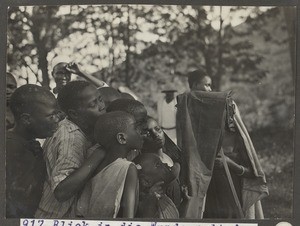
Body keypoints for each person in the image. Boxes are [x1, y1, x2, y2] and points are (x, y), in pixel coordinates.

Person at [176, 68, 268, 218]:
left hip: (227, 171)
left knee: (231, 212)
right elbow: (185, 146)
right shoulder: (186, 105)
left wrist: (232, 164)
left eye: (210, 85)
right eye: (206, 85)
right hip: (203, 173)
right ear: (193, 85)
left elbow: (240, 145)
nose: (210, 89)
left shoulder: (222, 104)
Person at [35, 81, 106, 218]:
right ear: (74, 114)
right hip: (53, 218)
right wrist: (99, 154)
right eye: (93, 104)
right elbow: (61, 191)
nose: (101, 106)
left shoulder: (75, 128)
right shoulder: (71, 138)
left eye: (100, 99)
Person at [6, 84, 60, 218]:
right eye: (51, 116)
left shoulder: (28, 143)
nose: (57, 119)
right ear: (26, 119)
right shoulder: (13, 150)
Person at [77, 111, 143, 218]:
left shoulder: (97, 165)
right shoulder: (128, 168)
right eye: (135, 128)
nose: (140, 132)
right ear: (122, 138)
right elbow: (129, 217)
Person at [142, 117, 182, 208]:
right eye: (148, 133)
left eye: (157, 129)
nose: (156, 135)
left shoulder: (172, 156)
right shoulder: (147, 165)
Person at [133, 153, 180, 218]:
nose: (165, 164)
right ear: (146, 182)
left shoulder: (164, 198)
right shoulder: (146, 204)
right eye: (158, 165)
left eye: (162, 162)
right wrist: (151, 199)